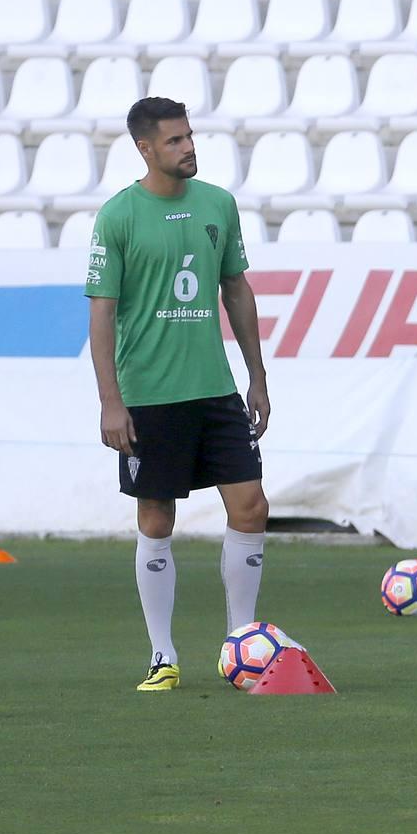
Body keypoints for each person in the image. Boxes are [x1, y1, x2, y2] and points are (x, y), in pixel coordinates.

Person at [86, 97, 272, 692]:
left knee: (251, 507)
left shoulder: (219, 203)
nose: (188, 147)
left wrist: (258, 376)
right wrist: (111, 401)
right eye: (174, 141)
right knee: (157, 517)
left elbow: (236, 291)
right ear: (145, 149)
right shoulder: (118, 218)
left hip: (215, 391)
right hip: (149, 398)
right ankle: (162, 655)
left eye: (190, 137)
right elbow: (102, 316)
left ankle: (241, 642)